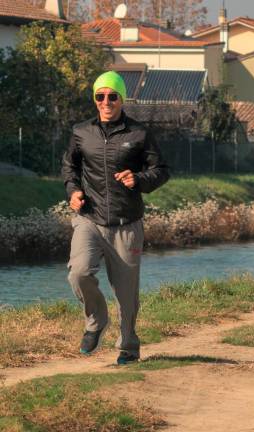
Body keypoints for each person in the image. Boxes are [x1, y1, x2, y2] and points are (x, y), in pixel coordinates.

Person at [62, 71, 170, 365]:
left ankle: (129, 347)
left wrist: (139, 179)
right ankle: (96, 322)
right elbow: (70, 168)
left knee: (125, 292)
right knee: (79, 272)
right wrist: (73, 192)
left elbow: (161, 170)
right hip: (89, 219)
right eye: (101, 96)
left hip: (126, 223)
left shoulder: (139, 133)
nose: (106, 101)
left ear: (122, 99)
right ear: (95, 99)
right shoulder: (81, 132)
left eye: (112, 96)